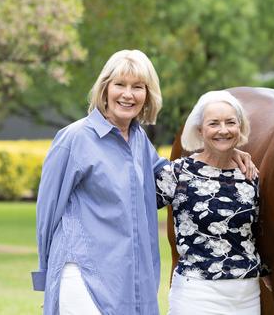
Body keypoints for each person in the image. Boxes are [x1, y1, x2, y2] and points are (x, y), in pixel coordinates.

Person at [33, 50, 255, 315]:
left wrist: (225, 152)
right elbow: (47, 212)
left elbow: (175, 175)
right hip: (82, 272)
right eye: (120, 85)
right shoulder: (75, 138)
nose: (128, 94)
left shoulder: (139, 142)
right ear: (105, 89)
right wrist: (46, 277)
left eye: (138, 87)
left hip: (125, 276)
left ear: (147, 96)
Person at [156, 90, 266, 315]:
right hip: (196, 293)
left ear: (240, 127)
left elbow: (258, 233)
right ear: (200, 130)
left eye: (230, 123)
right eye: (214, 123)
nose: (223, 130)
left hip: (246, 296)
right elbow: (133, 208)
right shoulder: (178, 173)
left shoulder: (249, 175)